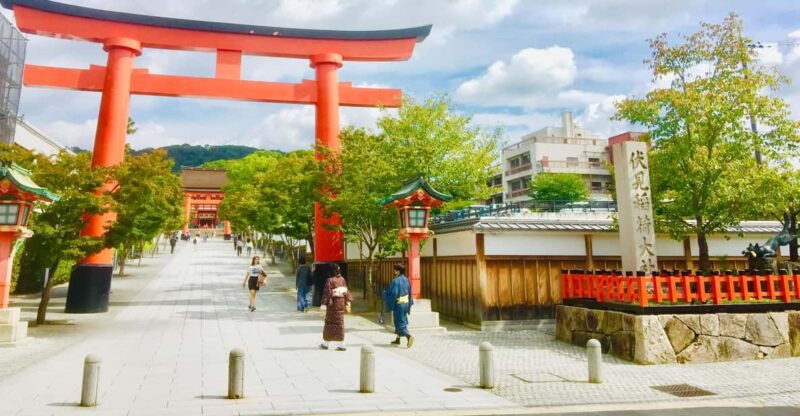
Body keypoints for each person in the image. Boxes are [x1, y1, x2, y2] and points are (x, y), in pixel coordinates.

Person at [319, 265, 351, 351]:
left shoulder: (330, 280)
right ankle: (341, 344)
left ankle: (325, 343)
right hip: (341, 304)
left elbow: (327, 293)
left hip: (332, 304)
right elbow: (346, 292)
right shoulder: (342, 279)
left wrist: (324, 303)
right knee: (339, 324)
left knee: (329, 324)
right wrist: (347, 301)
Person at [383, 263, 414, 348]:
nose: (394, 271)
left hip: (399, 304)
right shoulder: (407, 280)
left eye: (395, 269)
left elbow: (393, 293)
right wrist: (410, 304)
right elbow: (410, 292)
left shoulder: (395, 281)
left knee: (399, 322)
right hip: (405, 303)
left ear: (398, 271)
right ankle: (398, 339)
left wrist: (385, 294)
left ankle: (408, 336)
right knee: (402, 320)